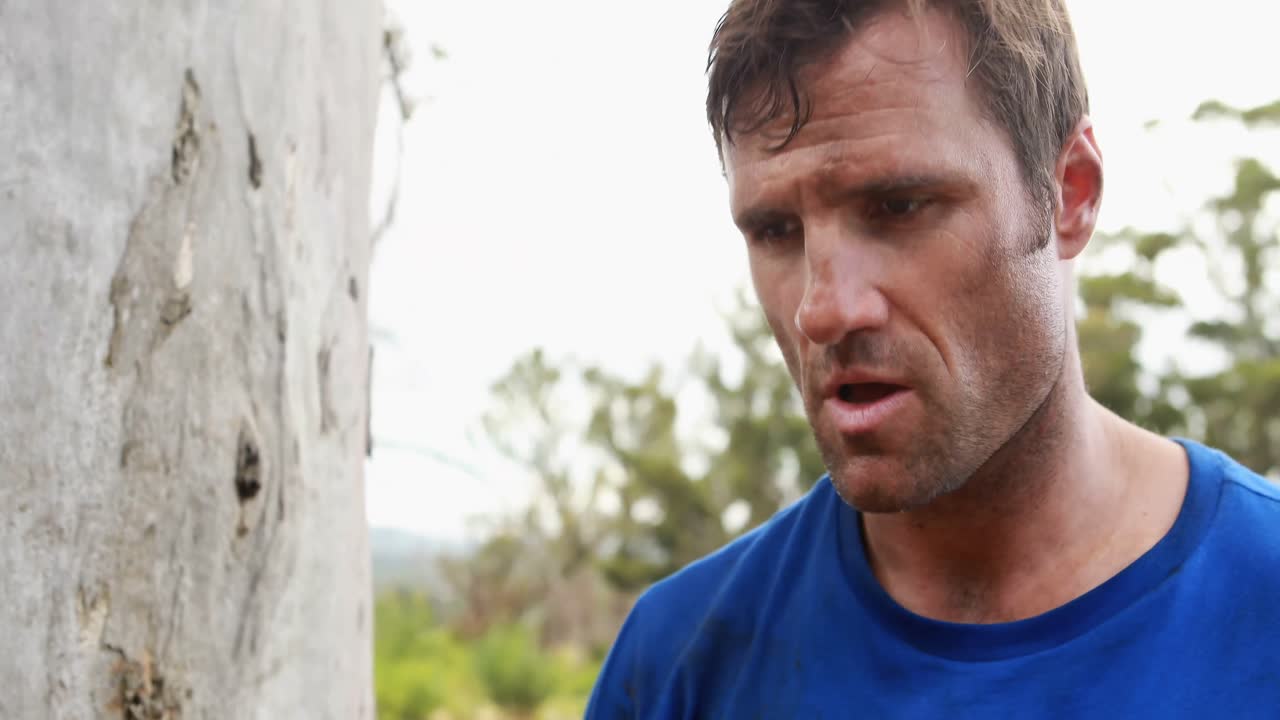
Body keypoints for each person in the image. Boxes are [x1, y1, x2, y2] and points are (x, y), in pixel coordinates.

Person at [586, 0, 1280, 717]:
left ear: (1069, 192)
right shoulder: (678, 666)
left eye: (898, 206)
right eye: (775, 230)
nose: (822, 310)